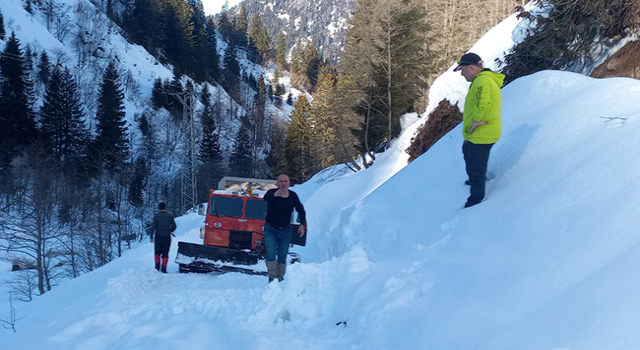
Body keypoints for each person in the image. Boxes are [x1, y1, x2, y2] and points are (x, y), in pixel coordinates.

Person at [454, 52, 505, 208]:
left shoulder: (483, 81)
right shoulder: (481, 80)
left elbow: (482, 101)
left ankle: (476, 199)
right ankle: (474, 179)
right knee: (467, 152)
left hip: (483, 131)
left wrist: (476, 120)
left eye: (463, 69)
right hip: (476, 131)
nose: (462, 74)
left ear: (472, 67)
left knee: (476, 166)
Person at [263, 174, 306, 282]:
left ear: (289, 183)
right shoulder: (271, 193)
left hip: (286, 230)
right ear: (277, 183)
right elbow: (265, 198)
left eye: (285, 181)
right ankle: (272, 277)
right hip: (270, 229)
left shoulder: (293, 196)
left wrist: (302, 225)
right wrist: (274, 196)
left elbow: (300, 209)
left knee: (282, 256)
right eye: (281, 181)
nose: (283, 183)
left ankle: (280, 279)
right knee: (271, 253)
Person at [149, 202, 177, 273]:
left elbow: (153, 227)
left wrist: (151, 236)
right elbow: (174, 226)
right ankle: (164, 268)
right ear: (165, 207)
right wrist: (169, 230)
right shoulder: (169, 216)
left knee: (157, 252)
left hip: (158, 237)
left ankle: (157, 266)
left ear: (158, 208)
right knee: (165, 253)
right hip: (167, 237)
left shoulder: (156, 216)